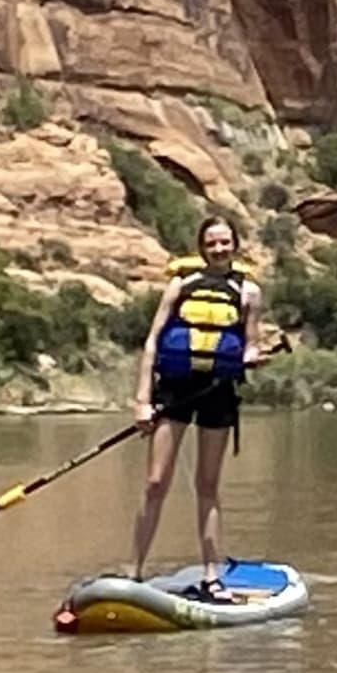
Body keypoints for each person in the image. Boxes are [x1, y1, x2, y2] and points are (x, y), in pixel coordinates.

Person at [130, 214, 265, 593]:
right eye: (212, 243)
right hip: (174, 389)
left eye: (225, 242)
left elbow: (252, 340)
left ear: (234, 245)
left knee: (208, 484)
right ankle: (134, 573)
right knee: (156, 482)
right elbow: (153, 341)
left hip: (218, 392)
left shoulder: (249, 293)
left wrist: (253, 356)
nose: (219, 249)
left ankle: (211, 575)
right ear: (201, 247)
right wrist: (143, 400)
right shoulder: (181, 284)